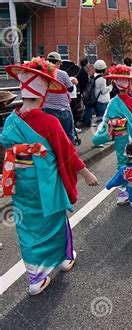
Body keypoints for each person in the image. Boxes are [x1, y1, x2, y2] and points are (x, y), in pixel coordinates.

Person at [2, 57, 99, 295]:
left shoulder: (10, 120)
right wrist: (86, 174)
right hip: (46, 182)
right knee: (55, 220)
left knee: (27, 226)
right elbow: (66, 152)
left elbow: (6, 148)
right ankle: (65, 258)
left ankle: (35, 277)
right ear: (43, 95)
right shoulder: (49, 122)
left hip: (21, 182)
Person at [92, 64, 132, 204]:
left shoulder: (112, 102)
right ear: (128, 84)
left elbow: (105, 121)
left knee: (122, 161)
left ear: (114, 83)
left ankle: (122, 193)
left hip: (120, 137)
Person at [43, 52, 78, 143]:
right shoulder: (63, 74)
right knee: (68, 133)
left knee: (52, 134)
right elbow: (70, 89)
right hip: (63, 109)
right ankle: (70, 153)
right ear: (58, 63)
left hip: (48, 109)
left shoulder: (43, 73)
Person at [83, 59, 112, 127]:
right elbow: (103, 91)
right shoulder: (102, 79)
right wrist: (111, 86)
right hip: (102, 102)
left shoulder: (94, 76)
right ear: (103, 69)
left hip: (97, 101)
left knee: (100, 120)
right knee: (103, 121)